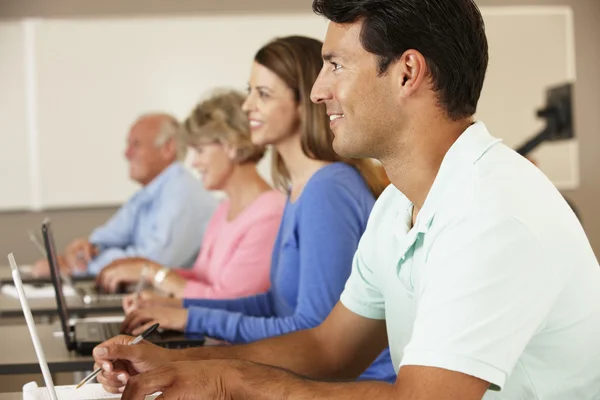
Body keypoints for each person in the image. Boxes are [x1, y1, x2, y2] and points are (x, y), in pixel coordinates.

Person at [94, 1, 600, 397]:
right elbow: (327, 348)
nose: (318, 92)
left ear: (407, 72)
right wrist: (176, 363)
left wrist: (230, 383)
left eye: (335, 65)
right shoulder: (397, 207)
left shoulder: (491, 212)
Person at [101, 35, 396, 385]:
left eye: (263, 95)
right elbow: (275, 303)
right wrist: (184, 314)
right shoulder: (298, 189)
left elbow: (312, 333)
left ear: (304, 102)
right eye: (250, 91)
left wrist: (187, 333)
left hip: (352, 386)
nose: (246, 107)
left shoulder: (328, 190)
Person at [96, 90, 285, 299]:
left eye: (200, 150)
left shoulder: (270, 215)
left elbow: (228, 302)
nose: (194, 162)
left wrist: (152, 273)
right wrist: (150, 280)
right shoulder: (224, 210)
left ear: (231, 145)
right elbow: (201, 279)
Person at [32, 113, 218, 277]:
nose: (126, 154)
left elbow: (150, 264)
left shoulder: (183, 192)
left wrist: (82, 266)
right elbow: (107, 237)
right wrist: (84, 251)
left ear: (168, 148)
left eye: (136, 144)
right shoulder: (148, 193)